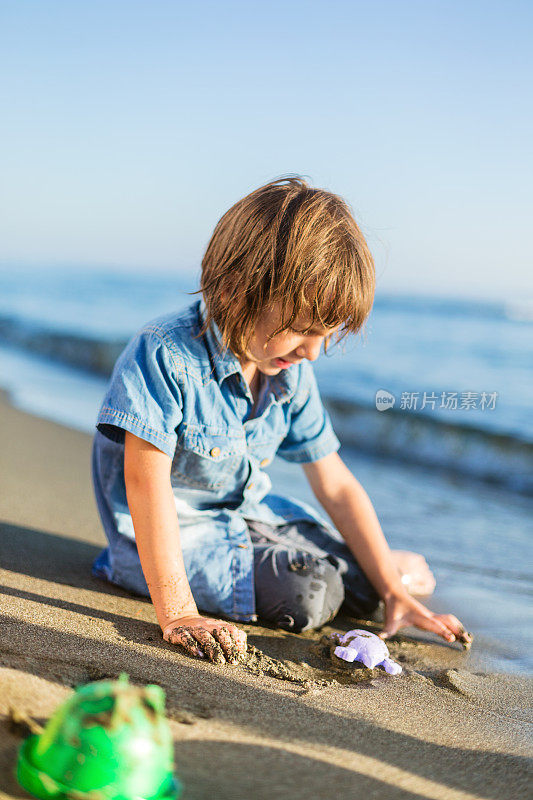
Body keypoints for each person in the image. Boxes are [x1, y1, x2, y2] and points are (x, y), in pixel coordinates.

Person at [91, 176, 471, 665]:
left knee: (369, 586)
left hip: (251, 519)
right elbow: (146, 485)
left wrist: (394, 592)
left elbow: (336, 486)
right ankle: (358, 567)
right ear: (235, 291)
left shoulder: (289, 371)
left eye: (325, 335)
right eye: (302, 330)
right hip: (176, 543)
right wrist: (179, 613)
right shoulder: (164, 353)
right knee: (309, 595)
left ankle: (379, 570)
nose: (312, 351)